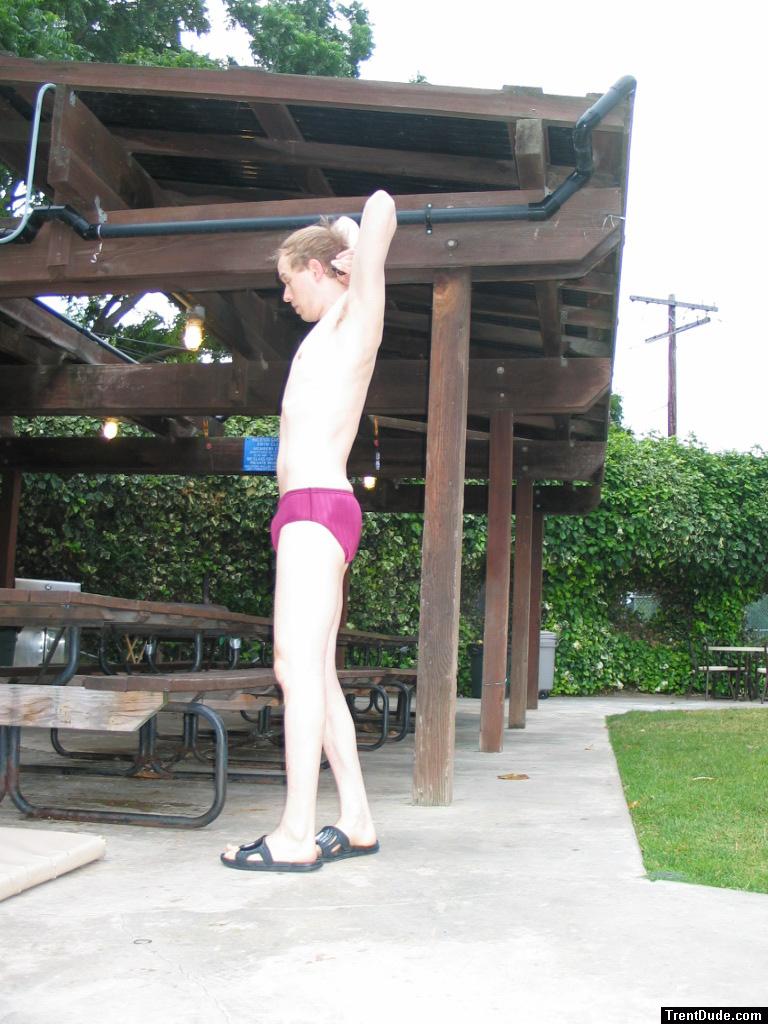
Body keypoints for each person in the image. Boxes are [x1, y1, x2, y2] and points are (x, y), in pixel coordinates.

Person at [222, 190, 397, 872]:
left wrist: (355, 246)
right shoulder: (325, 332)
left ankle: (294, 834)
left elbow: (380, 205)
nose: (285, 294)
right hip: (306, 512)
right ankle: (356, 818)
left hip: (317, 507)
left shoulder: (358, 317)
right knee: (314, 674)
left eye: (289, 280)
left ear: (319, 269)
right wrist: (345, 244)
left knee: (293, 669)